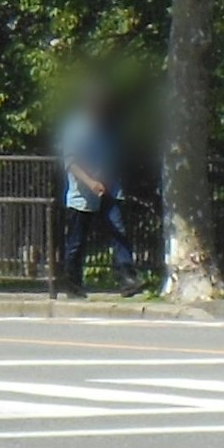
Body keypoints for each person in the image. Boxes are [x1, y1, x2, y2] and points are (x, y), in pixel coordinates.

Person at [50, 87, 137, 297]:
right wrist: (90, 182)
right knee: (77, 240)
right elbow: (70, 162)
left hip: (108, 188)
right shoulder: (75, 128)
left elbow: (112, 155)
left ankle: (127, 278)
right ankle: (72, 282)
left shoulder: (108, 127)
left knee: (118, 231)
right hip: (82, 194)